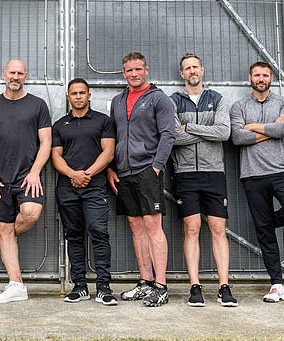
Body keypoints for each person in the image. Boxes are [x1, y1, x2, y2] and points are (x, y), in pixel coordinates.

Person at [230, 61, 284, 303]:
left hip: (282, 170)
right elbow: (237, 137)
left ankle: (269, 223)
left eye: (265, 75)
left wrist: (254, 127)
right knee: (265, 232)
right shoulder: (239, 106)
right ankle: (277, 284)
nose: (261, 78)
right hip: (252, 174)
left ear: (271, 77)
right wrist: (271, 129)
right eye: (257, 75)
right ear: (250, 77)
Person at [0, 60, 52, 303]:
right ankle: (16, 285)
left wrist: (34, 172)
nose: (16, 77)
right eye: (12, 72)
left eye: (20, 73)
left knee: (30, 212)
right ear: (4, 74)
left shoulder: (37, 105)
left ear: (26, 76)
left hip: (26, 177)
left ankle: (8, 242)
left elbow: (46, 143)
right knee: (3, 228)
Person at [107, 52, 175, 307]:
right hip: (123, 172)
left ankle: (161, 286)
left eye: (137, 69)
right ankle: (145, 282)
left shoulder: (158, 98)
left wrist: (156, 167)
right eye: (128, 71)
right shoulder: (117, 100)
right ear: (123, 73)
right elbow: (112, 137)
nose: (133, 74)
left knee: (152, 226)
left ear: (146, 70)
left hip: (147, 170)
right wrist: (111, 168)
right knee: (136, 226)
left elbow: (168, 134)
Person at [170, 53, 237, 307]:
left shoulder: (217, 99)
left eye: (195, 67)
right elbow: (173, 137)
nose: (191, 71)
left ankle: (224, 287)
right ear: (182, 74)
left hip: (214, 173)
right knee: (192, 228)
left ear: (203, 70)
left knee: (218, 228)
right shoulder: (173, 101)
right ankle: (195, 287)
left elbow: (223, 133)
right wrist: (204, 132)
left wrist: (190, 128)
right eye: (187, 68)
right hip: (185, 173)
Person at [51, 78, 117, 305]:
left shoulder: (103, 121)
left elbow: (108, 153)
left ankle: (103, 287)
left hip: (95, 186)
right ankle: (79, 287)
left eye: (82, 93)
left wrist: (86, 174)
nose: (78, 97)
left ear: (89, 95)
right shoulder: (59, 125)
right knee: (74, 236)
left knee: (99, 233)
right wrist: (73, 175)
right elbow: (55, 156)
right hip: (67, 188)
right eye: (74, 93)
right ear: (68, 97)